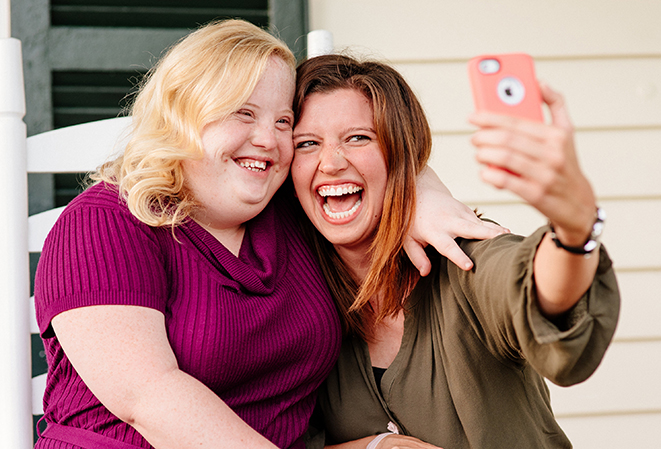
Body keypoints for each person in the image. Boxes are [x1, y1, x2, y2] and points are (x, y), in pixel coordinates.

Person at [33, 20, 503, 449]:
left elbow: (370, 161)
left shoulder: (291, 215)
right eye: (243, 113)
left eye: (283, 123)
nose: (268, 139)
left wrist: (426, 193)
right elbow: (149, 397)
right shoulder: (107, 223)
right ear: (183, 115)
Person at [291, 54, 620, 449]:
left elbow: (533, 288)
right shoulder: (296, 293)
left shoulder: (462, 261)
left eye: (358, 137)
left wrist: (573, 228)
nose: (330, 162)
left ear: (402, 155)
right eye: (307, 144)